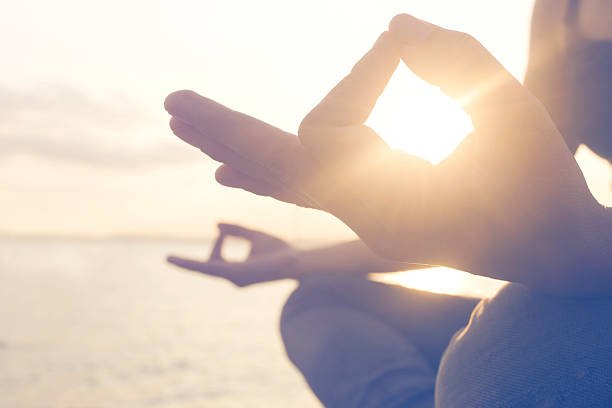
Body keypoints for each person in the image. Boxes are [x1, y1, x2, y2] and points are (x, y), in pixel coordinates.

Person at [165, 0, 612, 406]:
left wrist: (593, 252)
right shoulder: (560, 9)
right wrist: (294, 260)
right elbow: (509, 211)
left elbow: (572, 240)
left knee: (506, 384)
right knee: (321, 297)